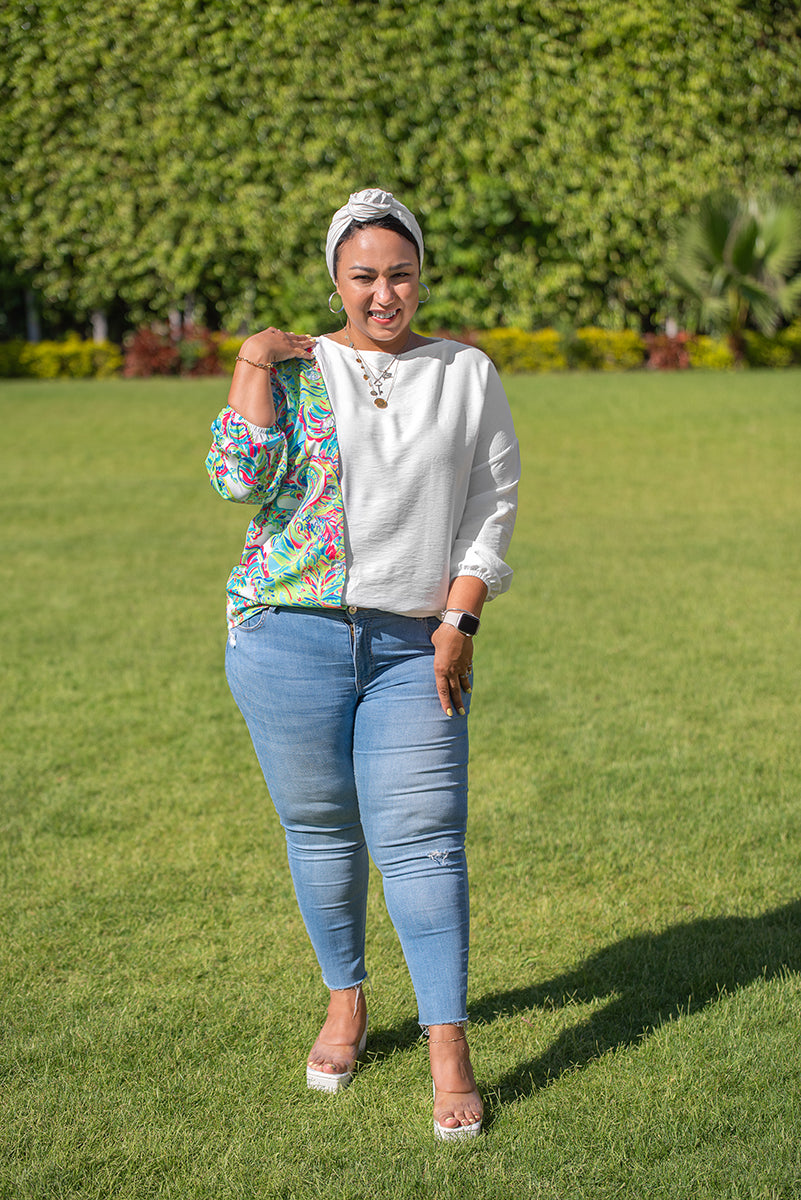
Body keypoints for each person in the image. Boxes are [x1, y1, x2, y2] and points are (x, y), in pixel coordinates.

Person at [206, 188, 519, 1138]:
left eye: (400, 274)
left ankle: (448, 1049)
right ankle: (345, 1002)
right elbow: (237, 480)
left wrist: (459, 621)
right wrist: (251, 362)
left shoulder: (465, 371)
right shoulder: (300, 367)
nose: (384, 294)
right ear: (335, 280)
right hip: (286, 632)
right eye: (363, 276)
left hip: (412, 643)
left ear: (420, 273)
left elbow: (491, 502)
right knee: (321, 831)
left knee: (424, 840)